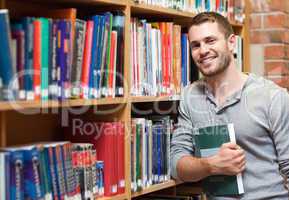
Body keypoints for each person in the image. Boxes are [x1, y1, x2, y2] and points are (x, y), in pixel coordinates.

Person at [170, 11, 289, 200]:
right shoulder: (189, 96)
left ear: (231, 42)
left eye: (210, 40)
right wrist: (211, 165)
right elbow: (177, 165)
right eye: (195, 45)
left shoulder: (272, 97)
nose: (202, 51)